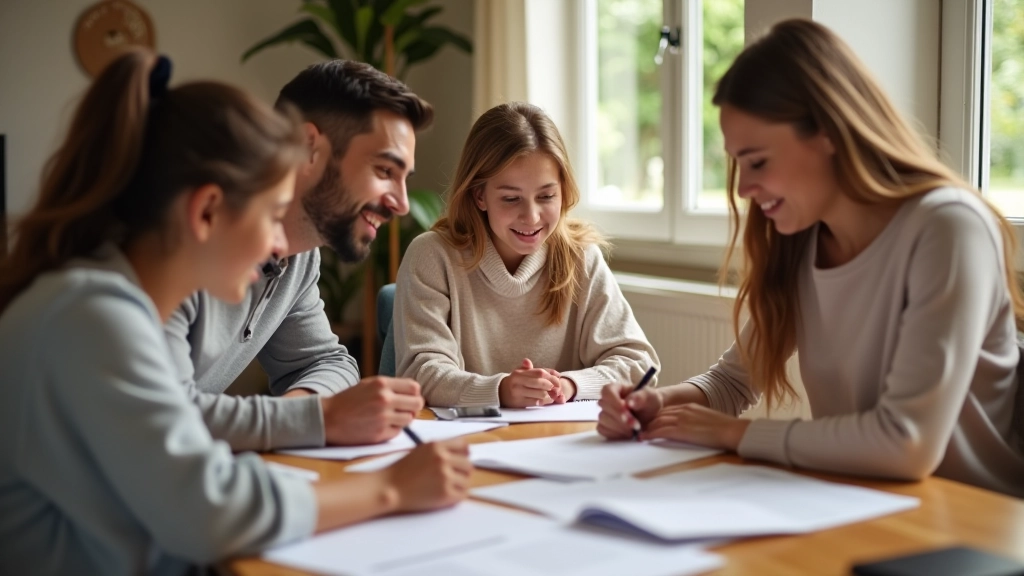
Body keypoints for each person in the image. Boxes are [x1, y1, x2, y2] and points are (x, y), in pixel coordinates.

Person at [0, 50, 471, 575]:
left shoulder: (108, 307)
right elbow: (204, 509)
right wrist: (389, 486)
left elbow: (186, 473)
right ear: (206, 212)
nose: (279, 244)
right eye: (272, 215)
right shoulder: (94, 316)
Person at [597, 19, 1024, 498]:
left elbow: (908, 443)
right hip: (859, 503)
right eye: (738, 165)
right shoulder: (799, 240)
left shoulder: (948, 228)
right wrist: (659, 403)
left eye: (757, 162)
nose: (742, 189)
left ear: (828, 133)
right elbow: (732, 382)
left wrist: (732, 434)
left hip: (972, 524)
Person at [164, 60, 434, 451]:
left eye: (404, 178)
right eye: (383, 170)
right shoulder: (179, 246)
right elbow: (160, 419)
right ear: (310, 149)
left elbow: (328, 364)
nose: (403, 204)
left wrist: (298, 419)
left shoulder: (301, 258)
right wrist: (320, 418)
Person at [395, 102, 659, 408]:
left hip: (558, 444)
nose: (531, 217)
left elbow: (641, 364)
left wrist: (571, 384)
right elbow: (420, 373)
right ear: (479, 195)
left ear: (563, 191)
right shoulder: (432, 256)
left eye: (546, 196)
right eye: (511, 198)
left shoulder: (581, 257)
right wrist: (500, 390)